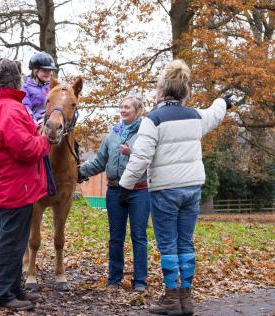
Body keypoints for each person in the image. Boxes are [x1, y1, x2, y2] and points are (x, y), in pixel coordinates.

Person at [119, 59, 234, 316]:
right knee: (186, 243)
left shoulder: (153, 120)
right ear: (184, 91)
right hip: (192, 188)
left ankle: (171, 297)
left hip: (165, 190)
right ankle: (187, 298)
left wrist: (125, 187)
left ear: (162, 91)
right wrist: (223, 102)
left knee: (168, 244)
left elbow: (140, 158)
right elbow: (214, 113)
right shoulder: (195, 116)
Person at [0, 58, 51, 312]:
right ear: (14, 80)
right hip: (15, 185)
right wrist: (46, 141)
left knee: (17, 241)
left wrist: (36, 131)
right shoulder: (11, 108)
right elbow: (25, 148)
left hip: (7, 183)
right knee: (11, 243)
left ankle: (13, 289)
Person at [78, 95, 150, 292]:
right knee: (116, 237)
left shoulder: (145, 134)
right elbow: (100, 161)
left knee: (138, 235)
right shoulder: (113, 135)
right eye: (121, 107)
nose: (123, 110)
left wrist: (132, 152)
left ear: (138, 111)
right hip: (115, 191)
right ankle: (114, 279)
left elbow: (150, 159)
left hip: (139, 191)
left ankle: (140, 281)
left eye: (127, 107)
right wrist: (78, 172)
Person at [21, 51, 57, 124]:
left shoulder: (54, 86)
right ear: (35, 71)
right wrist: (35, 122)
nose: (48, 73)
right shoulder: (25, 87)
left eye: (50, 71)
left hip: (53, 120)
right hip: (36, 122)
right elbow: (26, 108)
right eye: (44, 70)